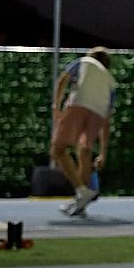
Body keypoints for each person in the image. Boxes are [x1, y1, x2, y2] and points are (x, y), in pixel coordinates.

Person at [52, 48, 115, 217]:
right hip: (98, 113)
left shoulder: (83, 62)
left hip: (78, 104)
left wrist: (56, 108)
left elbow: (63, 79)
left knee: (58, 150)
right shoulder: (110, 80)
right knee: (85, 152)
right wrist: (103, 153)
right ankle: (80, 201)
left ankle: (81, 191)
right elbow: (106, 121)